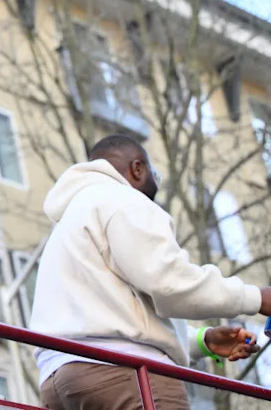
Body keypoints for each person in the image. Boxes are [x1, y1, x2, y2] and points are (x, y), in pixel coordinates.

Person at [31, 134, 268, 410]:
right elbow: (170, 283)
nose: (156, 183)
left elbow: (116, 312)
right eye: (155, 174)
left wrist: (203, 341)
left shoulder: (67, 224)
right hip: (123, 374)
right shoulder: (124, 200)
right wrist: (257, 298)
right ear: (137, 169)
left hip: (60, 381)